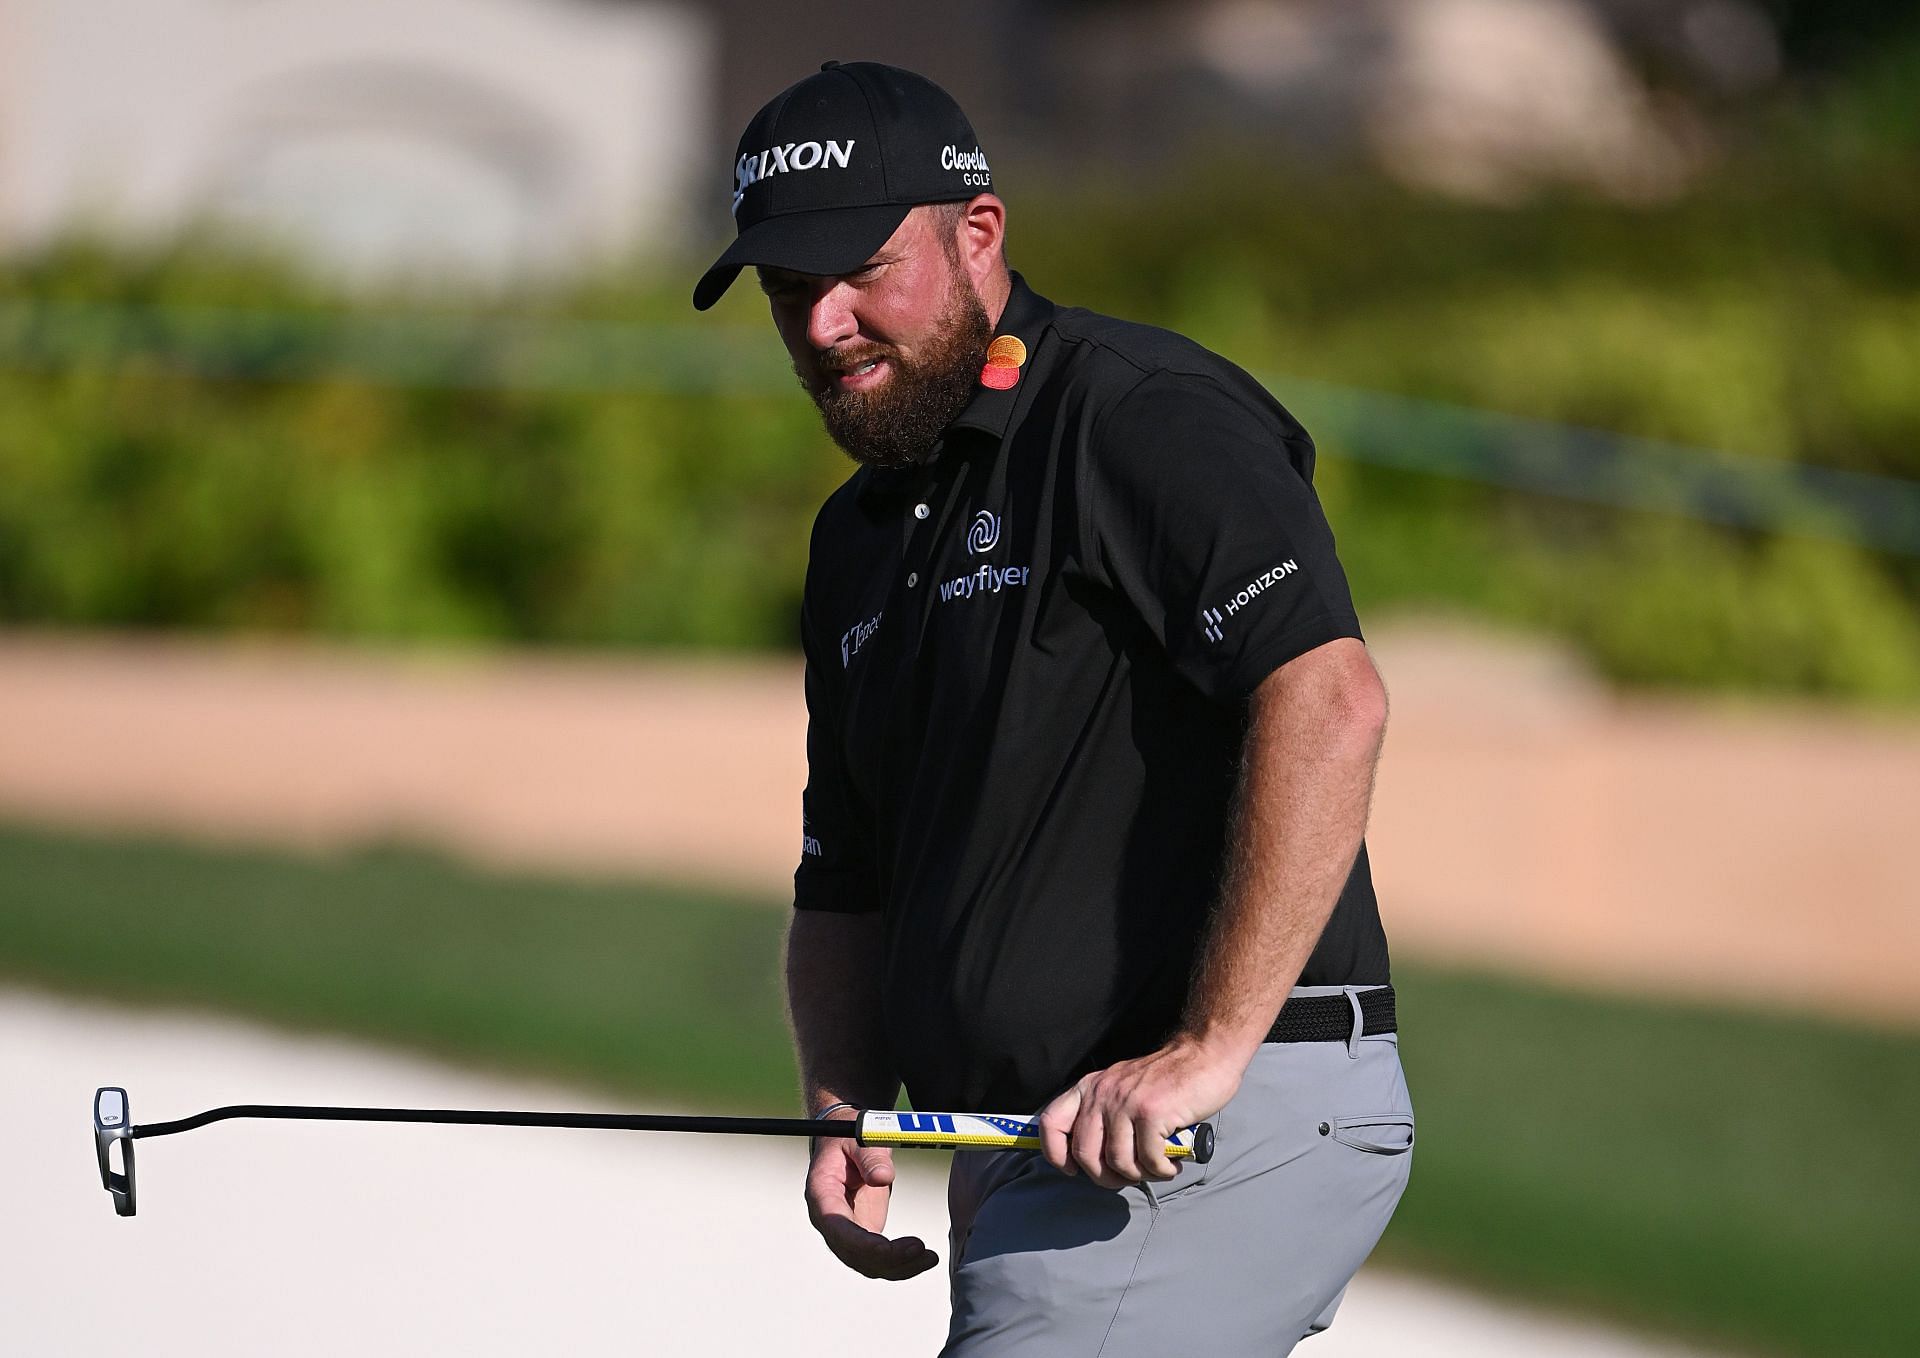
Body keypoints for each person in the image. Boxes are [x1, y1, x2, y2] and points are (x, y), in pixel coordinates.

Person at [694, 61, 1413, 1356]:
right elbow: (845, 874)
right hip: (1034, 1142)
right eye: (791, 291)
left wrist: (1203, 1049)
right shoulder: (855, 539)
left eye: (863, 271)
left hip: (1208, 1112)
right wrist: (846, 1098)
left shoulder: (1134, 417)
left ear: (980, 235)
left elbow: (1329, 697)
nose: (824, 325)